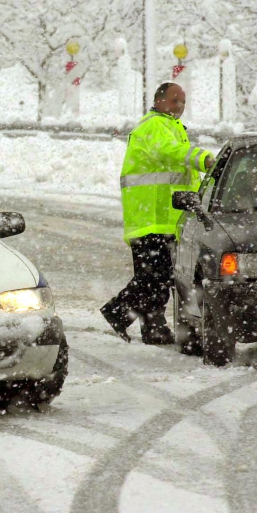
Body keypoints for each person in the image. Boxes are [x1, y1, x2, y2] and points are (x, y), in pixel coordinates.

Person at [101, 82, 215, 344]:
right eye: (175, 101)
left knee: (157, 279)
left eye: (183, 102)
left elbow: (179, 173)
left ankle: (154, 329)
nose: (180, 107)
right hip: (149, 218)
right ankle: (116, 313)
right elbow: (169, 151)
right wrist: (203, 158)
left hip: (162, 219)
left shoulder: (171, 127)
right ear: (159, 100)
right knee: (155, 278)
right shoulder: (154, 125)